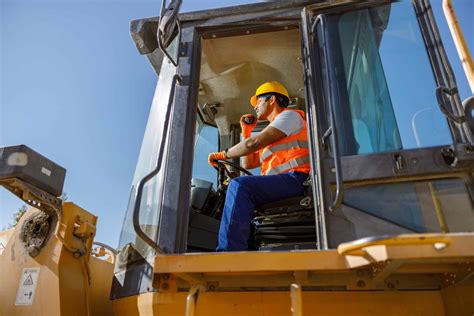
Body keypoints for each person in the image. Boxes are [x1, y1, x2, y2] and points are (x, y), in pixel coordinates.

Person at [208, 81, 310, 251]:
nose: (255, 107)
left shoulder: (289, 116)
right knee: (240, 188)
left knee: (240, 185)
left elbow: (252, 144)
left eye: (258, 101)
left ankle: (228, 253)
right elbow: (248, 162)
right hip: (285, 182)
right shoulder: (275, 131)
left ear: (272, 100)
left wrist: (222, 154)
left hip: (297, 179)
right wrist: (246, 131)